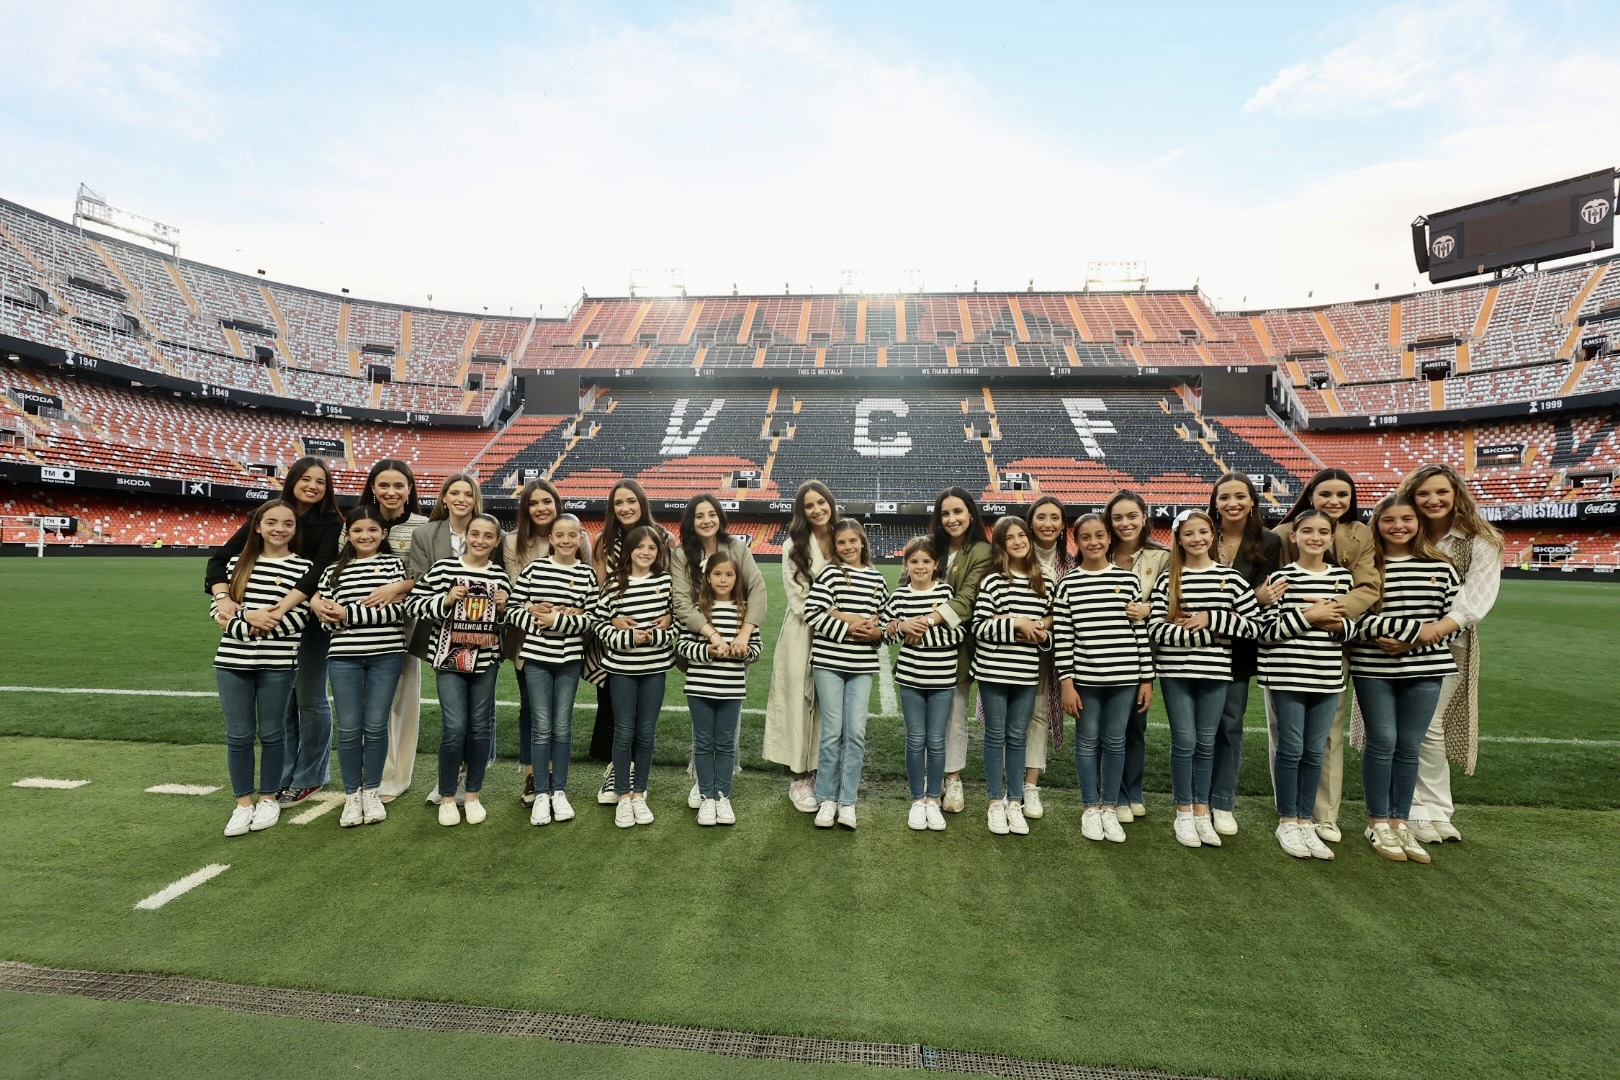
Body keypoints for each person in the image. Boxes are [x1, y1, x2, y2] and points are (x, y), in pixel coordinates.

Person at [205, 456, 342, 806]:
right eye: (306, 479)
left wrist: (285, 606)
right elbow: (222, 559)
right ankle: (280, 777)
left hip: (307, 621)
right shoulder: (266, 515)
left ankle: (310, 775)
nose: (313, 486)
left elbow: (321, 572)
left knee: (309, 700)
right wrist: (222, 598)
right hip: (263, 622)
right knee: (281, 707)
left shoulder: (330, 522)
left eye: (321, 481)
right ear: (292, 480)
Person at [1345, 492, 1460, 864]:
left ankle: (1400, 820)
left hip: (1426, 668)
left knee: (1409, 745)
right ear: (1376, 525)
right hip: (1374, 666)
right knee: (1384, 741)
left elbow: (1453, 623)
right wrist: (1415, 631)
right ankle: (1377, 821)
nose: (1398, 526)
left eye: (1406, 519)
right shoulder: (1366, 568)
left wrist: (1411, 640)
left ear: (1419, 523)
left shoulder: (1441, 567)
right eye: (1388, 519)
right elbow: (1354, 620)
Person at [1269, 467, 1379, 843]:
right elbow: (1269, 607)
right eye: (1326, 494)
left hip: (1331, 652)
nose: (1334, 501)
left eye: (1343, 495)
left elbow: (1367, 587)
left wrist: (1334, 610)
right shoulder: (1283, 535)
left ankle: (1322, 814)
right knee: (1288, 739)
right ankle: (1290, 814)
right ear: (1310, 497)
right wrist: (1304, 614)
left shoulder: (1360, 535)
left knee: (1323, 740)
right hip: (1287, 659)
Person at [1397, 462, 1503, 844]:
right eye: (1423, 493)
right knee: (1403, 728)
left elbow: (1475, 601)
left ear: (1456, 494)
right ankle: (1417, 809)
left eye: (1441, 492)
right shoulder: (1403, 531)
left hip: (1448, 645)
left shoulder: (1479, 540)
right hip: (1392, 643)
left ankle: (1430, 809)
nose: (1433, 500)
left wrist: (1425, 634)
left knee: (1427, 725)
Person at [1147, 509, 1263, 849]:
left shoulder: (1233, 580)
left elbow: (1254, 627)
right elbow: (1156, 629)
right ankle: (1183, 811)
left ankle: (1203, 810)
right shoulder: (1169, 580)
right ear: (1178, 540)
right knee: (1184, 741)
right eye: (1189, 534)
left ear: (1213, 536)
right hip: (1175, 672)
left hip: (1216, 671)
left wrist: (1211, 619)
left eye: (1203, 532)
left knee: (1207, 742)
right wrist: (1202, 635)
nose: (1197, 538)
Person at [1255, 509, 1352, 861]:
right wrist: (1308, 616)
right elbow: (1265, 632)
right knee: (1291, 748)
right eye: (1307, 530)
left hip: (1327, 677)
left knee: (1315, 751)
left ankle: (1305, 820)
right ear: (1293, 537)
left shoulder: (1343, 579)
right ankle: (1287, 820)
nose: (1315, 537)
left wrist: (1337, 625)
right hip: (1287, 675)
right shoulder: (1281, 578)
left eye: (1323, 531)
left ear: (1331, 538)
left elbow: (1354, 628)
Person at [212, 500, 311, 837]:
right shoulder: (237, 566)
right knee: (238, 735)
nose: (279, 529)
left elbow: (299, 618)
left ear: (296, 530)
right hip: (232, 663)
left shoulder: (305, 568)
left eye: (287, 523)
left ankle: (268, 797)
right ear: (257, 526)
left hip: (279, 663)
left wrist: (261, 622)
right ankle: (243, 804)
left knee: (273, 734)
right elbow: (221, 615)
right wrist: (248, 620)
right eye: (271, 522)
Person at [1053, 513, 1153, 844]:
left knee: (1115, 742)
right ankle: (1090, 807)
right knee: (1087, 741)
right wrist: (1066, 682)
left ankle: (1109, 806)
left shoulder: (1128, 580)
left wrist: (1146, 679)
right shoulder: (1068, 584)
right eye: (1086, 537)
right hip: (1086, 680)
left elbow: (1140, 632)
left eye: (1099, 535)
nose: (1094, 542)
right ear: (1076, 542)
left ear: (1109, 539)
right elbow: (1064, 638)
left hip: (1124, 679)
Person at [311, 506, 409, 828]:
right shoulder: (332, 572)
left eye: (372, 530)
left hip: (386, 655)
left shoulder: (393, 565)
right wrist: (337, 618)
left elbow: (396, 614)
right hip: (343, 658)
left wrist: (348, 615)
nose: (365, 536)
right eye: (357, 531)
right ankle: (352, 794)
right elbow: (326, 621)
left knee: (376, 726)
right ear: (348, 535)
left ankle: (372, 790)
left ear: (383, 534)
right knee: (350, 728)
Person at [669, 494, 768, 809]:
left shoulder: (737, 548)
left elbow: (758, 590)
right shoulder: (682, 554)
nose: (706, 520)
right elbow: (681, 602)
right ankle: (702, 782)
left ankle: (721, 787)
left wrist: (744, 634)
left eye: (712, 514)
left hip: (737, 645)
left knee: (728, 726)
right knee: (703, 728)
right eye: (699, 515)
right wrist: (711, 636)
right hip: (703, 646)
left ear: (720, 517)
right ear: (690, 521)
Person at [411, 511, 509, 827]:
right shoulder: (444, 568)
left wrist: (505, 606)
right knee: (454, 728)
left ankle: (474, 795)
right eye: (475, 533)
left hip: (485, 660)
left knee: (480, 728)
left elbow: (506, 624)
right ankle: (448, 795)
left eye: (488, 536)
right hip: (451, 658)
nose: (481, 540)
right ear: (465, 535)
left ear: (496, 542)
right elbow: (413, 605)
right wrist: (445, 600)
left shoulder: (501, 576)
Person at [504, 478, 593, 808]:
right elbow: (516, 595)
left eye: (547, 502)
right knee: (534, 714)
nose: (541, 508)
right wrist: (535, 612)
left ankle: (557, 784)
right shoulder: (514, 544)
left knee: (560, 721)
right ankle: (536, 780)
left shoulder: (579, 552)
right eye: (534, 502)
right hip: (530, 646)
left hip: (568, 649)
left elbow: (589, 601)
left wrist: (566, 616)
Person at [1206, 472, 1285, 837]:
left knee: (1230, 725)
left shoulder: (1267, 542)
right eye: (1225, 497)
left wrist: (1250, 602)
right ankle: (1195, 800)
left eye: (1240, 496)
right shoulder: (1202, 534)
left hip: (1238, 648)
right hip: (1197, 645)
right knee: (1197, 730)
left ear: (1253, 500)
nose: (1232, 503)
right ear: (1215, 502)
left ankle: (1222, 801)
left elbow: (1270, 597)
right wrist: (1251, 599)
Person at [587, 479, 672, 804]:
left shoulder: (661, 537)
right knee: (613, 709)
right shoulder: (603, 541)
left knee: (643, 720)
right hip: (615, 641)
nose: (625, 508)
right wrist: (611, 620)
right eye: (618, 502)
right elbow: (600, 589)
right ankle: (615, 772)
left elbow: (669, 583)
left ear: (642, 503)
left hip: (651, 645)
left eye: (631, 501)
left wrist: (667, 617)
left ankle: (636, 775)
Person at [972, 515, 1055, 837]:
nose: (1019, 541)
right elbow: (979, 626)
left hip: (1026, 672)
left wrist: (1036, 630)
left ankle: (1015, 801)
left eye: (1022, 535)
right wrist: (1015, 623)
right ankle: (995, 802)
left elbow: (1053, 625)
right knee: (995, 736)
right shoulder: (993, 580)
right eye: (1011, 538)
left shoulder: (1043, 580)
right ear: (1002, 545)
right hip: (993, 671)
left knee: (1018, 737)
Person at [803, 518, 887, 830]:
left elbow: (884, 627)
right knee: (831, 732)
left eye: (853, 541)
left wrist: (873, 632)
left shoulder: (878, 580)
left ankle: (848, 801)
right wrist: (850, 625)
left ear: (863, 542)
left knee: (855, 733)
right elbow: (813, 612)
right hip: (829, 663)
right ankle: (826, 797)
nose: (848, 547)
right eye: (841, 543)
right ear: (835, 547)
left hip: (862, 666)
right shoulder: (830, 574)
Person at [357, 459, 431, 803]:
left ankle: (397, 776)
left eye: (398, 485)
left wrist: (394, 590)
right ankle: (369, 771)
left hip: (405, 621)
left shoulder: (423, 525)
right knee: (367, 702)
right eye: (383, 485)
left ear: (409, 489)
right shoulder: (356, 522)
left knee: (403, 699)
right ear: (372, 487)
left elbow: (430, 574)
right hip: (357, 623)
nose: (391, 492)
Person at [880, 536, 965, 831]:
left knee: (937, 740)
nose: (920, 566)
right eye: (914, 561)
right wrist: (902, 626)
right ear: (906, 564)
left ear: (936, 564)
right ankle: (917, 799)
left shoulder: (946, 593)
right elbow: (886, 633)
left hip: (942, 678)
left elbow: (959, 635)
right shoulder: (900, 596)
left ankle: (933, 798)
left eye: (926, 561)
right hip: (911, 678)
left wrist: (923, 627)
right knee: (916, 740)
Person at [762, 480, 837, 811]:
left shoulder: (844, 536)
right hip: (803, 632)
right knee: (797, 704)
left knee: (829, 706)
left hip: (839, 638)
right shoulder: (794, 543)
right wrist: (839, 615)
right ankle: (799, 778)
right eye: (809, 505)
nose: (817, 509)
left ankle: (823, 773)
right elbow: (798, 600)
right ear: (801, 511)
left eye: (821, 502)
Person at [678, 549, 763, 826]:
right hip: (700, 689)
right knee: (703, 743)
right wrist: (708, 651)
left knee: (726, 744)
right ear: (708, 577)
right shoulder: (699, 612)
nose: (723, 580)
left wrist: (744, 651)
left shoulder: (744, 613)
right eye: (717, 574)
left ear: (737, 578)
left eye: (729, 574)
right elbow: (682, 646)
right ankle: (706, 798)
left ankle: (723, 796)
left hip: (731, 690)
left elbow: (757, 649)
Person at [1104, 490, 1169, 822]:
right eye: (1117, 517)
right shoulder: (1101, 551)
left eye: (1132, 516)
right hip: (1101, 655)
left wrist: (1151, 608)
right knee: (1107, 727)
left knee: (1135, 725)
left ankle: (1133, 790)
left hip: (1142, 652)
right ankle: (1110, 793)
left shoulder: (1163, 556)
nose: (1125, 523)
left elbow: (1177, 599)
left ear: (1145, 517)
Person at [929, 487, 993, 814]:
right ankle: (930, 778)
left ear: (971, 514)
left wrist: (927, 618)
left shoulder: (982, 551)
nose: (951, 519)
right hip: (922, 649)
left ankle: (952, 777)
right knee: (926, 717)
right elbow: (904, 584)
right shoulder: (930, 548)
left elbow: (968, 599)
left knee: (955, 714)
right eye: (945, 513)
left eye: (958, 512)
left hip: (958, 646)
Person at [1020, 495, 1074, 819]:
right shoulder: (1015, 557)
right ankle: (1009, 783)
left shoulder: (1070, 565)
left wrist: (1043, 624)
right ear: (1030, 522)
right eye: (1041, 517)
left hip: (1048, 653)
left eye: (1055, 517)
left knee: (1039, 715)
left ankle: (1031, 786)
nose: (1048, 524)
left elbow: (1066, 609)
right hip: (1010, 651)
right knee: (1011, 719)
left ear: (1063, 524)